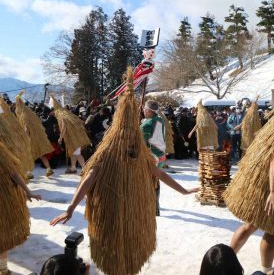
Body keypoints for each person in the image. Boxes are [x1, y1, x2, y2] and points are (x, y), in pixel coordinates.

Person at [50, 68, 198, 275]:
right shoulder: (106, 157)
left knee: (131, 257)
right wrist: (71, 207)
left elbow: (161, 174)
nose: (129, 143)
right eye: (125, 138)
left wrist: (184, 191)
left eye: (132, 138)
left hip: (135, 217)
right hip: (111, 216)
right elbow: (88, 180)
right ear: (118, 137)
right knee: (113, 257)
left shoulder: (143, 158)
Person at [223, 87, 274, 275]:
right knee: (270, 230)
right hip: (272, 187)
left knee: (252, 225)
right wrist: (273, 192)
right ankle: (264, 270)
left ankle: (225, 261)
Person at [0, 142, 41, 275]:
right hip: (5, 199)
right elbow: (14, 173)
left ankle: (3, 269)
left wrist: (28, 192)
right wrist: (28, 192)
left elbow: (14, 173)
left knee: (2, 236)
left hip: (4, 200)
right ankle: (3, 270)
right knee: (2, 237)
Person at [140, 100, 166, 216]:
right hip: (161, 156)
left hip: (151, 157)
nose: (143, 111)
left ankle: (150, 208)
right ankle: (156, 208)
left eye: (145, 109)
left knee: (148, 182)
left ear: (150, 111)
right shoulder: (161, 120)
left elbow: (141, 144)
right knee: (155, 180)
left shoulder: (146, 125)